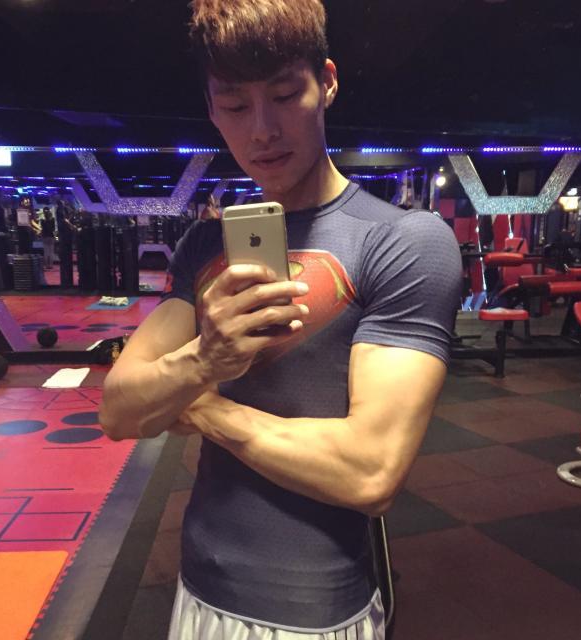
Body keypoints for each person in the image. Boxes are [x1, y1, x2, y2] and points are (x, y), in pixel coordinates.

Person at [98, 1, 463, 638]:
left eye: (286, 95)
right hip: (197, 587)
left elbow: (370, 471)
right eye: (235, 106)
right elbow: (118, 412)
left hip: (314, 611)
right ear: (212, 111)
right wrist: (204, 359)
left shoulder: (405, 241)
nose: (263, 129)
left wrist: (199, 402)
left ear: (327, 82)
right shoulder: (203, 247)